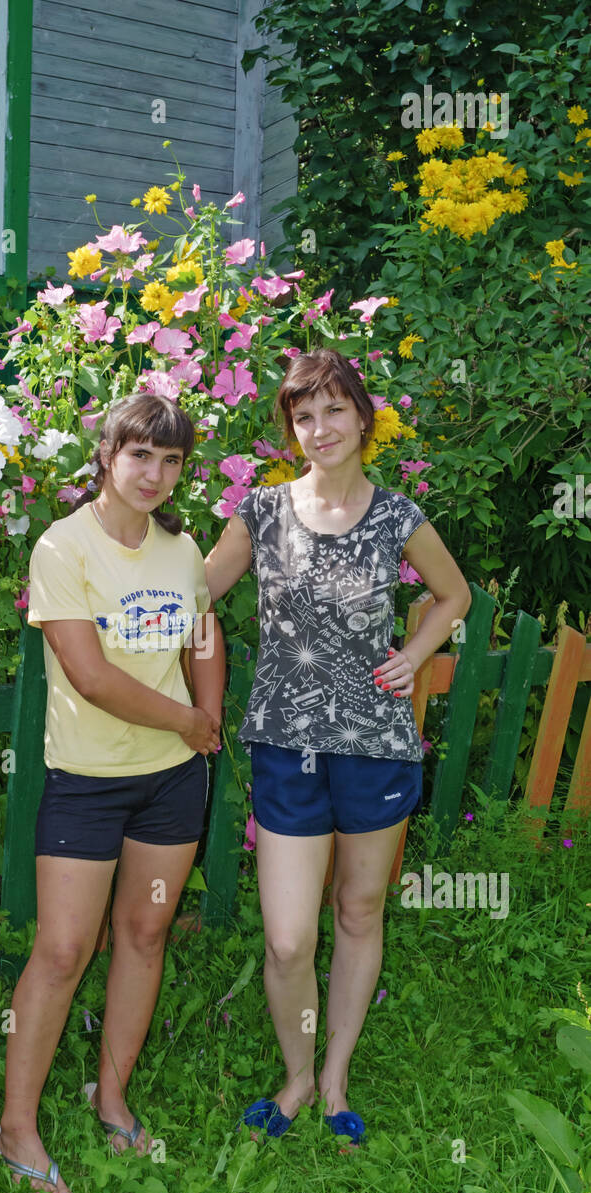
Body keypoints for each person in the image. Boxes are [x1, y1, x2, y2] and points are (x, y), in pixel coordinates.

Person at [203, 348, 471, 1146]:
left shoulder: (396, 517)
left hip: (377, 746)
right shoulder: (259, 510)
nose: (318, 428)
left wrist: (416, 653)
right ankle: (292, 1075)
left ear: (362, 418)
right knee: (287, 938)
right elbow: (198, 590)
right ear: (291, 429)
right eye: (302, 415)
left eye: (332, 410)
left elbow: (452, 593)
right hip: (286, 748)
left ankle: (333, 1079)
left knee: (357, 911)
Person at [0, 393, 226, 1193]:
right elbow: (89, 678)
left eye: (171, 462)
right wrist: (191, 722)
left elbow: (203, 634)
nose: (154, 474)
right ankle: (15, 1125)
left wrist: (209, 720)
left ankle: (111, 1095)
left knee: (144, 932)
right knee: (61, 950)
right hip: (88, 781)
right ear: (106, 455)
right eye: (140, 456)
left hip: (170, 780)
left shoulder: (181, 548)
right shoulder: (64, 548)